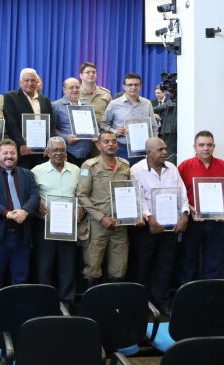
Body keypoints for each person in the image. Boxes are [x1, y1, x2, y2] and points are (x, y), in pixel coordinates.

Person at [0, 138, 39, 314]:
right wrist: (7, 213)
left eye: (12, 153)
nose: (9, 156)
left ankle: (17, 313)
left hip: (21, 235)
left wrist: (25, 211)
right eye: (5, 153)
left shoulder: (27, 174)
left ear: (17, 155)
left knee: (21, 278)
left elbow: (35, 195)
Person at [130, 137, 188, 315]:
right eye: (160, 149)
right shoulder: (136, 170)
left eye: (165, 149)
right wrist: (149, 217)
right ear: (149, 153)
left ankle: (162, 300)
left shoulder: (172, 169)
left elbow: (182, 194)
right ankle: (142, 302)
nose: (165, 152)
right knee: (144, 264)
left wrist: (185, 214)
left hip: (170, 225)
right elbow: (137, 198)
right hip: (147, 227)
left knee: (166, 263)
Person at [76, 131, 136, 288]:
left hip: (120, 225)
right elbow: (82, 195)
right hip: (97, 225)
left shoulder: (125, 165)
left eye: (114, 141)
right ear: (98, 145)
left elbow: (131, 192)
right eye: (106, 141)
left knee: (119, 269)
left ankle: (114, 307)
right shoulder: (89, 166)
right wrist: (101, 217)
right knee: (92, 267)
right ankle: (91, 307)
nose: (111, 144)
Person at [177, 130, 224, 282]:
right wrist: (191, 210)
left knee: (213, 262)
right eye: (202, 145)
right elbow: (178, 195)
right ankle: (188, 296)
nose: (205, 148)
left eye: (209, 145)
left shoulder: (223, 166)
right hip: (193, 221)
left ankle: (209, 297)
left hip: (216, 223)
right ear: (194, 147)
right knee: (188, 260)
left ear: (214, 147)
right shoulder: (184, 166)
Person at [31, 137, 83, 308]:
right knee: (44, 265)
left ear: (66, 152)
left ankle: (67, 301)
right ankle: (45, 302)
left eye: (62, 149)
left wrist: (81, 206)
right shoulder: (37, 170)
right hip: (45, 224)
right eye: (55, 150)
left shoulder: (77, 170)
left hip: (69, 225)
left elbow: (82, 193)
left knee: (67, 265)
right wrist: (37, 203)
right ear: (47, 152)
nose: (58, 153)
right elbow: (31, 193)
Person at [2, 68, 56, 169]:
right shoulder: (11, 97)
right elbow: (11, 124)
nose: (30, 83)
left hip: (43, 151)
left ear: (36, 82)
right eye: (26, 80)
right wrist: (21, 144)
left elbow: (51, 124)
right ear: (20, 82)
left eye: (33, 80)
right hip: (23, 151)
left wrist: (50, 145)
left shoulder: (45, 100)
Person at [101, 72, 157, 163]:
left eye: (136, 85)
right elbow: (103, 124)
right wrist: (115, 132)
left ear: (140, 86)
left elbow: (154, 126)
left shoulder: (147, 103)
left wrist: (154, 145)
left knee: (141, 177)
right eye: (130, 85)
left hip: (144, 149)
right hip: (122, 148)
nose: (133, 87)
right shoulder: (114, 104)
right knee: (123, 176)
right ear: (124, 86)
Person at [52, 78, 94, 167]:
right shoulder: (56, 106)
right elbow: (51, 130)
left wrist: (95, 134)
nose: (75, 90)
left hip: (88, 153)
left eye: (77, 87)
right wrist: (65, 138)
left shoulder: (87, 105)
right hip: (68, 153)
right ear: (64, 90)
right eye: (71, 88)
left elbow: (94, 126)